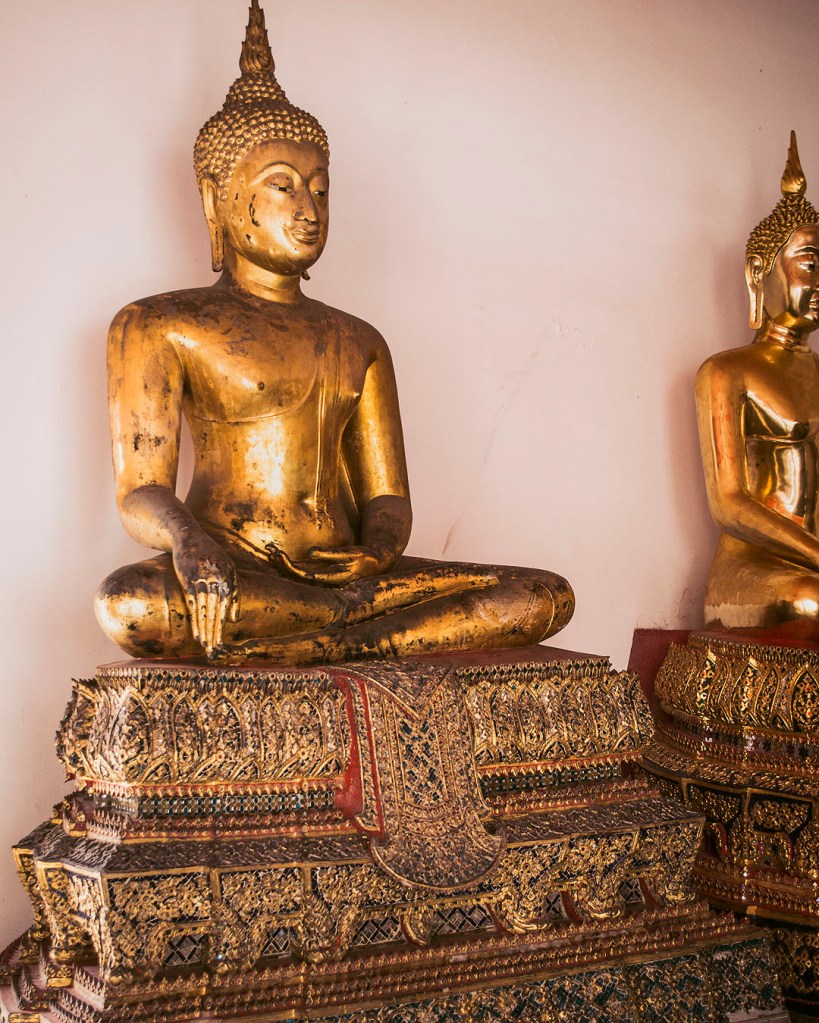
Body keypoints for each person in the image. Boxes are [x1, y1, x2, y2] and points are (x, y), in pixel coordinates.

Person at [95, 0, 573, 665]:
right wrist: (188, 541)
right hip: (233, 572)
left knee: (542, 594)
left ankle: (326, 634)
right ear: (218, 201)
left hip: (351, 579)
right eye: (282, 186)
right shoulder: (160, 324)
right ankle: (350, 634)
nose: (309, 208)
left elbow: (386, 496)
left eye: (319, 188)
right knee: (131, 604)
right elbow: (139, 490)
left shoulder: (359, 340)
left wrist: (374, 551)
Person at [697, 132, 819, 628]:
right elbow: (729, 504)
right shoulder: (727, 372)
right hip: (755, 568)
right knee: (811, 600)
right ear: (759, 274)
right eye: (809, 264)